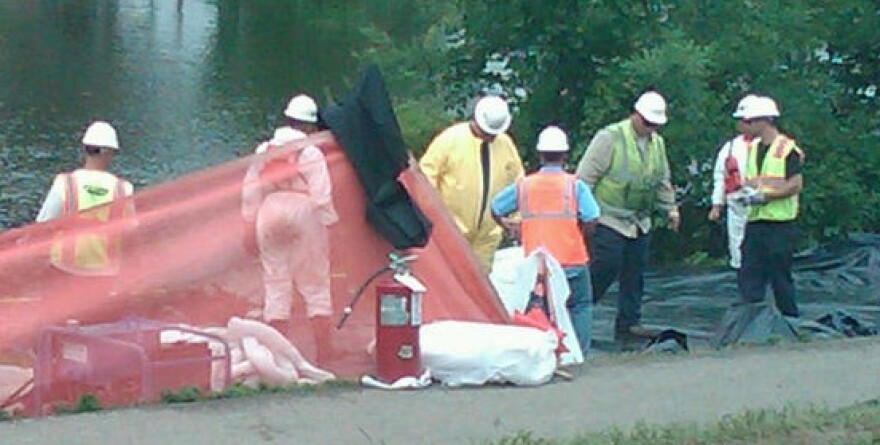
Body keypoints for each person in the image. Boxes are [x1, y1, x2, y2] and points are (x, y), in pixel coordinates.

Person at [241, 94, 340, 363]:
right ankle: (324, 353)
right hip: (303, 209)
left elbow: (250, 189)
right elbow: (321, 195)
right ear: (307, 126)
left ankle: (277, 353)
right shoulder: (309, 151)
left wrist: (249, 223)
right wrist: (330, 227)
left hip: (269, 210)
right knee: (315, 282)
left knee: (275, 282)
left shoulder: (265, 150)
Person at [575, 90, 679, 338]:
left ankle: (629, 324)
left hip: (638, 220)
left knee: (635, 272)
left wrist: (670, 209)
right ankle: (579, 309)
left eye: (655, 124)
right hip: (607, 216)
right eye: (647, 123)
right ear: (635, 115)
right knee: (606, 265)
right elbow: (584, 179)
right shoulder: (609, 138)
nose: (651, 128)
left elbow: (662, 180)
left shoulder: (657, 144)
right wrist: (582, 215)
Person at [491, 126, 600, 354]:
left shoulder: (525, 185)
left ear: (540, 154)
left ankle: (546, 353)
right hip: (572, 259)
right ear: (564, 155)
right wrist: (580, 233)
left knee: (541, 308)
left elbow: (496, 207)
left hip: (537, 263)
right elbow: (592, 217)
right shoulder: (575, 185)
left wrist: (509, 225)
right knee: (580, 306)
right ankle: (579, 353)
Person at [419, 95, 525, 271]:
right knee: (450, 281)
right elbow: (426, 177)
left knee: (479, 286)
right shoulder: (450, 139)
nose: (491, 137)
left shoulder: (505, 144)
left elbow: (518, 184)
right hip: (450, 231)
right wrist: (432, 215)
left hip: (487, 235)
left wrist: (516, 218)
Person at [733, 95, 804, 317]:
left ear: (762, 121)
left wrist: (766, 198)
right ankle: (750, 323)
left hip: (780, 224)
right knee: (750, 273)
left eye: (748, 121)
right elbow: (757, 180)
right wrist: (746, 193)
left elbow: (795, 185)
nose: (744, 126)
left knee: (779, 276)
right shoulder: (754, 148)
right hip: (756, 221)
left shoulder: (787, 149)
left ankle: (790, 322)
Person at [36, 120, 135, 276]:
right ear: (110, 153)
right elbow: (130, 231)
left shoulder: (65, 183)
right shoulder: (123, 189)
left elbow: (43, 224)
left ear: (85, 149)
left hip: (64, 268)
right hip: (105, 273)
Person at [708, 95, 757, 269]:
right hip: (737, 205)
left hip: (762, 206)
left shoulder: (771, 145)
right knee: (738, 247)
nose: (743, 124)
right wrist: (717, 205)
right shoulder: (730, 147)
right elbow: (720, 176)